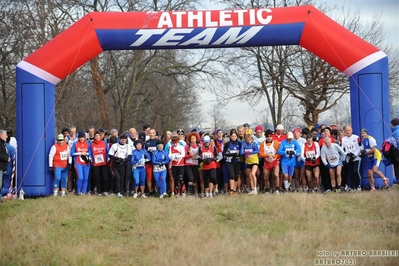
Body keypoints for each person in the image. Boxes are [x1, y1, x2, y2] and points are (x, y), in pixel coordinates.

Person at [108, 133, 132, 197]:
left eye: (125, 140)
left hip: (123, 164)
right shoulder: (115, 145)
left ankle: (121, 191)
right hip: (115, 164)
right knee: (117, 178)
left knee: (122, 178)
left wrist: (124, 159)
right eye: (122, 140)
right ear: (120, 139)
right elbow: (110, 155)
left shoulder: (127, 146)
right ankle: (117, 192)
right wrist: (117, 158)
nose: (123, 141)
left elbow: (129, 156)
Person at [341, 125, 363, 191]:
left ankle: (358, 185)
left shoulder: (356, 137)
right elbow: (342, 149)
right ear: (345, 131)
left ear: (352, 130)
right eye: (347, 130)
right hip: (348, 158)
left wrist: (354, 155)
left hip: (356, 157)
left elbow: (360, 147)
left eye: (349, 130)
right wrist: (347, 154)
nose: (348, 132)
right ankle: (353, 187)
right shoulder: (343, 139)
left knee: (356, 171)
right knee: (351, 173)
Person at [259, 129, 280, 194]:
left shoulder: (275, 143)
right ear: (265, 137)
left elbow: (279, 153)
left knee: (276, 175)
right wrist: (267, 156)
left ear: (272, 137)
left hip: (274, 162)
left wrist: (274, 156)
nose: (269, 138)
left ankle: (277, 189)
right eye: (267, 137)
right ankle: (267, 189)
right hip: (267, 163)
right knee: (265, 177)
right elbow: (260, 153)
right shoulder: (263, 143)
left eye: (270, 136)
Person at [71, 131, 92, 195]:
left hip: (86, 164)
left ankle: (84, 191)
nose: (81, 139)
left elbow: (90, 153)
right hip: (78, 163)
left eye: (82, 137)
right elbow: (72, 153)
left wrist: (88, 156)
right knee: (80, 177)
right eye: (80, 137)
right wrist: (80, 153)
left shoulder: (88, 144)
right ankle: (79, 191)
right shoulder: (75, 144)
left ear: (85, 138)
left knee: (86, 178)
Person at [222, 129, 242, 195]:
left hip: (237, 161)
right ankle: (231, 189)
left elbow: (242, 152)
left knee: (236, 176)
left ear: (237, 136)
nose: (234, 137)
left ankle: (234, 190)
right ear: (230, 136)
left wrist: (238, 155)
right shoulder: (227, 144)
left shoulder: (239, 143)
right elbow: (224, 154)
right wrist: (231, 155)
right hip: (229, 162)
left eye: (235, 136)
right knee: (232, 176)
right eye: (232, 136)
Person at [90, 131, 110, 196]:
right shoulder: (92, 144)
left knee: (105, 178)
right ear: (94, 137)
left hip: (104, 163)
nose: (97, 137)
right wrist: (91, 159)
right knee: (97, 178)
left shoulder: (104, 143)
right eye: (96, 136)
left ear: (100, 136)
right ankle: (99, 191)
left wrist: (108, 159)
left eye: (98, 136)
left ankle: (105, 191)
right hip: (96, 164)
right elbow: (90, 153)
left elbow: (107, 152)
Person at [240, 129, 259, 194]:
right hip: (247, 161)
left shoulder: (254, 144)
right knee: (249, 176)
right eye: (247, 139)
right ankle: (252, 189)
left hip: (254, 161)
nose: (249, 141)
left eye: (250, 139)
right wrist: (245, 153)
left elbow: (257, 151)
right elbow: (241, 153)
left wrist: (250, 152)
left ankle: (255, 189)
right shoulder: (243, 144)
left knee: (253, 174)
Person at [184, 131, 201, 196]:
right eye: (192, 139)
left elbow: (200, 155)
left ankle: (194, 193)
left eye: (194, 138)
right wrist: (190, 155)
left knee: (194, 179)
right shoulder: (187, 146)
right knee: (190, 178)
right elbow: (184, 156)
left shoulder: (199, 146)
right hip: (188, 164)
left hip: (195, 164)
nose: (193, 140)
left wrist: (197, 157)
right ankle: (190, 193)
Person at [144, 128, 158, 196]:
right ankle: (150, 191)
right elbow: (144, 152)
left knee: (156, 177)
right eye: (150, 133)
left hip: (156, 163)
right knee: (149, 177)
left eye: (153, 133)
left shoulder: (158, 141)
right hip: (148, 162)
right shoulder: (146, 142)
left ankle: (157, 190)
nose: (152, 134)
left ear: (155, 134)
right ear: (148, 134)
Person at [293, 128, 306, 192]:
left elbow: (305, 149)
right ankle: (297, 188)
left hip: (302, 159)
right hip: (295, 159)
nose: (296, 135)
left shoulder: (303, 140)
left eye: (297, 133)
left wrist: (301, 156)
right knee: (297, 175)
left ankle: (304, 187)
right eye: (294, 133)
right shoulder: (292, 140)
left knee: (302, 174)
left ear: (300, 134)